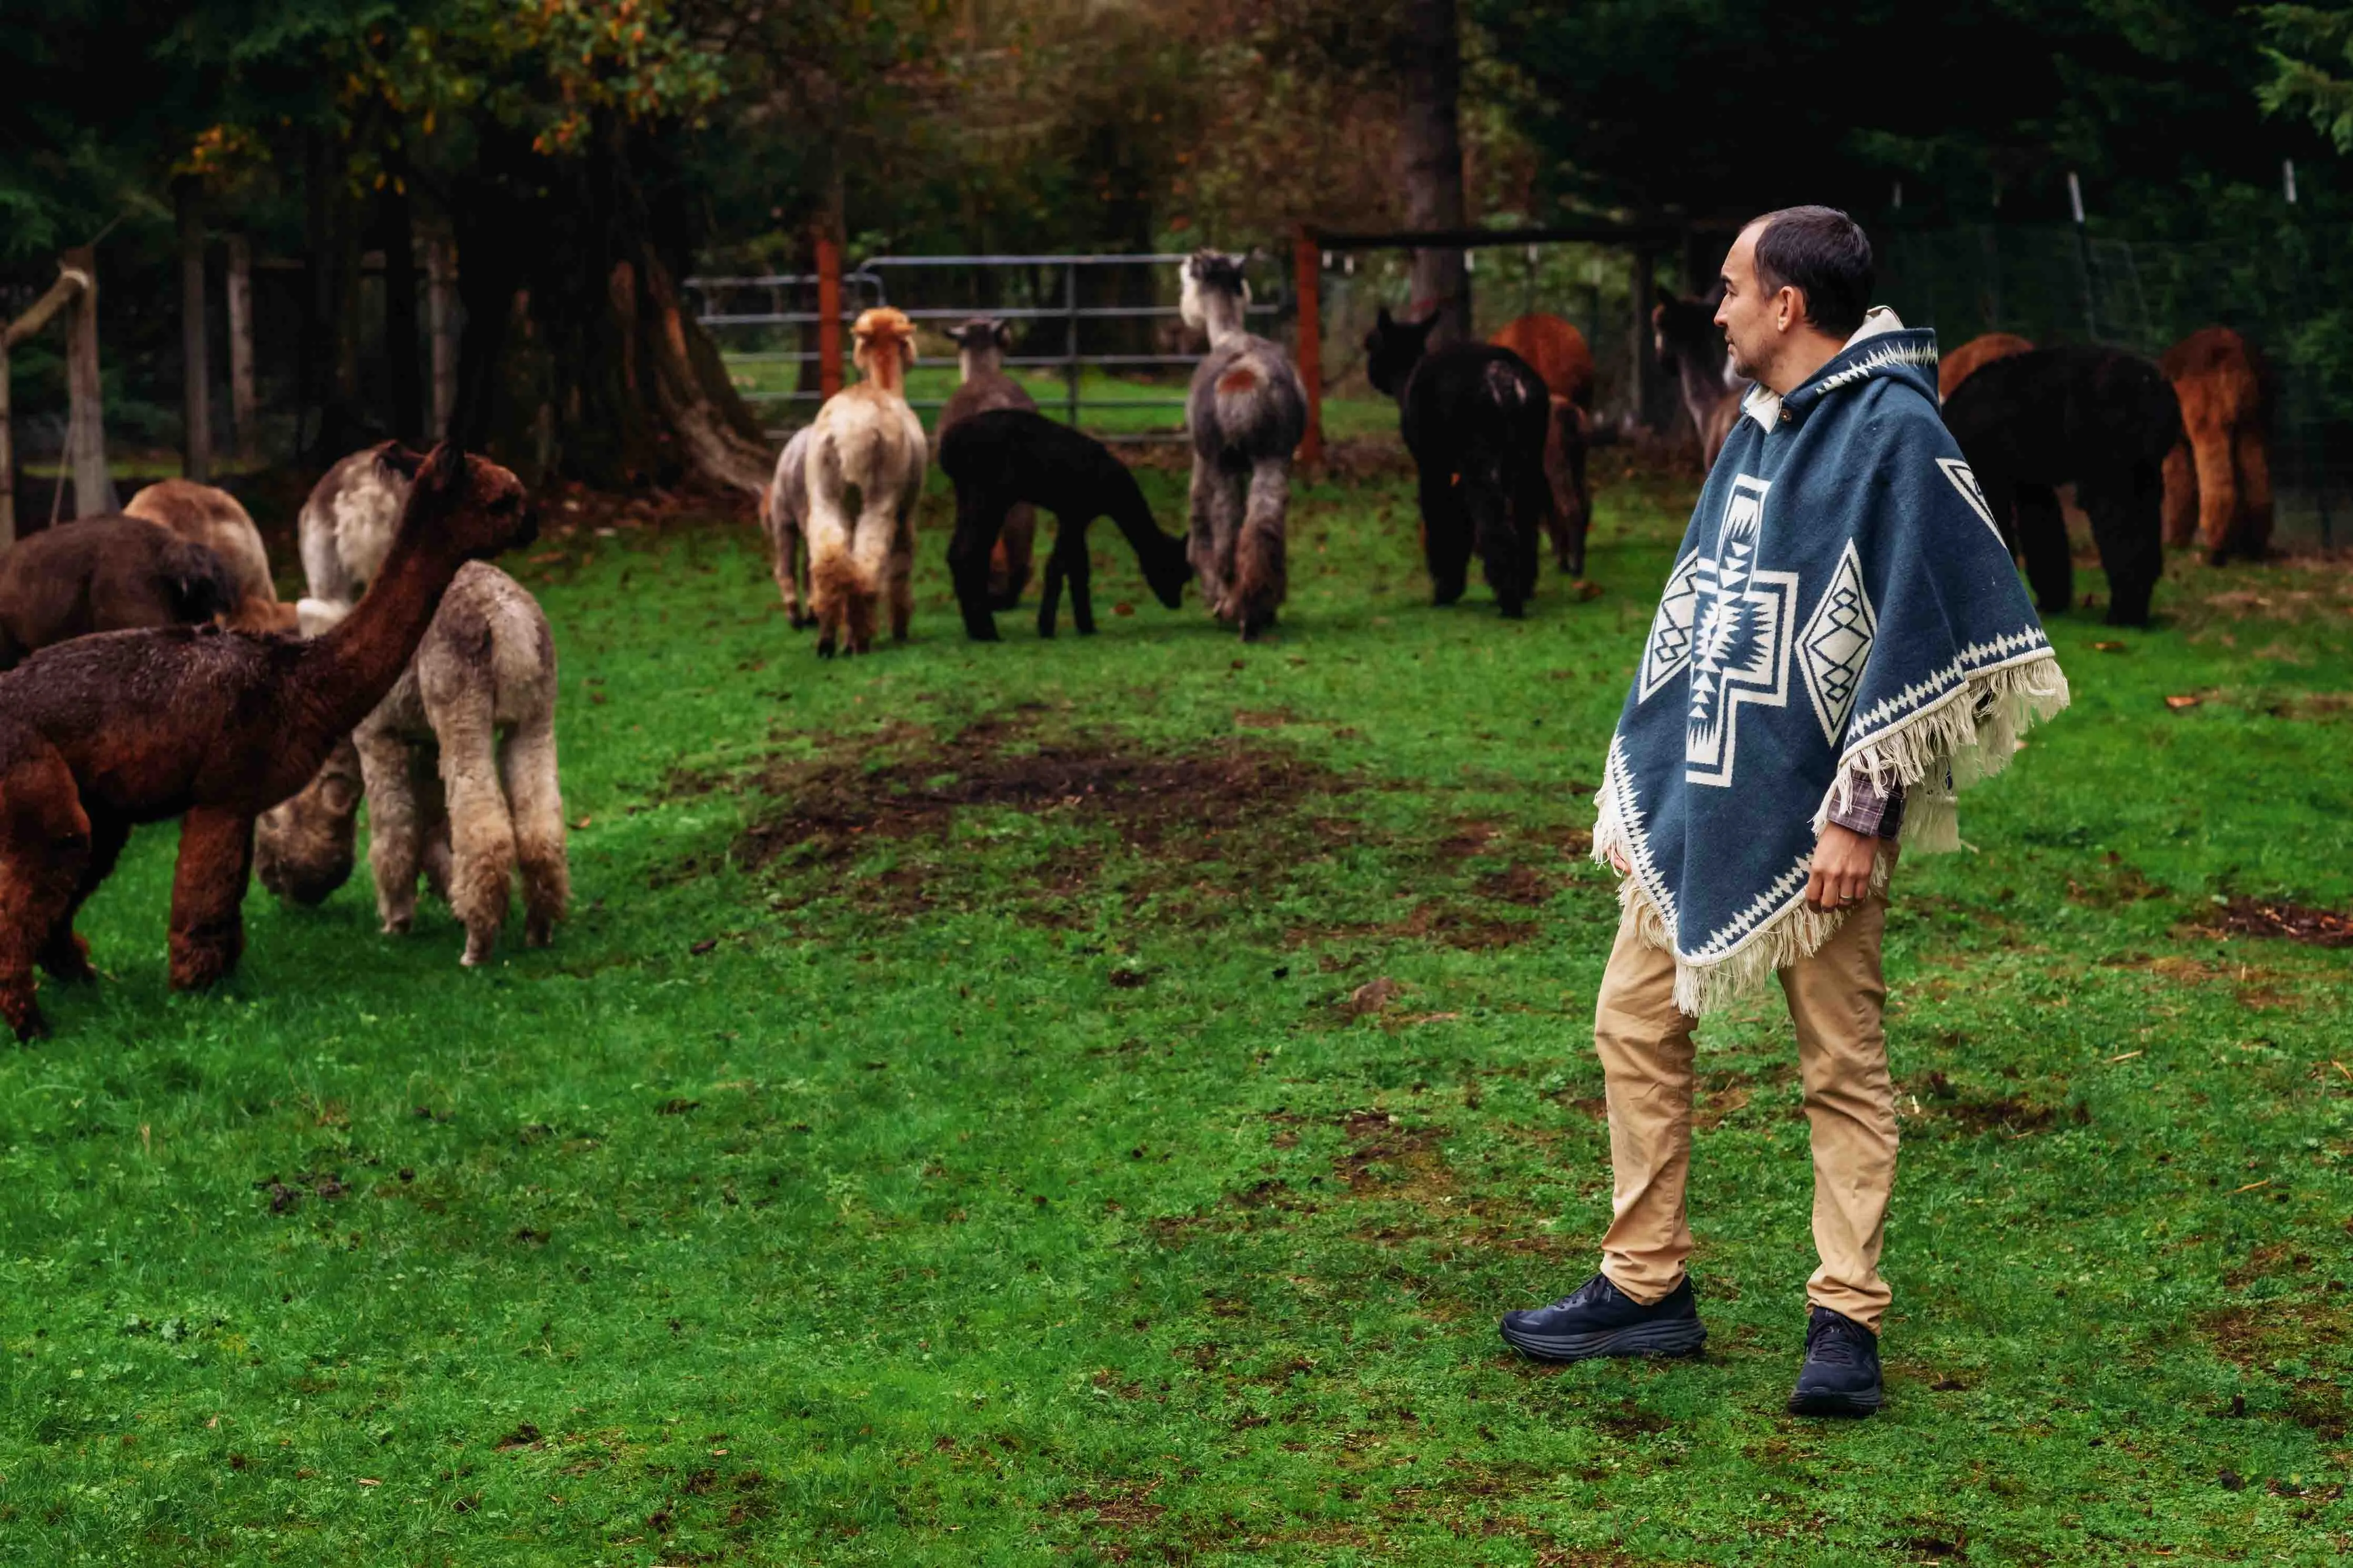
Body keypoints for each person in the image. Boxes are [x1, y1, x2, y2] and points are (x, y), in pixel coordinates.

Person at [1498, 207, 2070, 1417]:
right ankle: (1645, 1286)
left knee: (1841, 1064)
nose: (1715, 309)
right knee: (1631, 1022)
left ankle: (1844, 1319)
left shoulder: (1896, 432)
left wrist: (1861, 809)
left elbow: (1926, 618)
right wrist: (1654, 772)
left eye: (1727, 288)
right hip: (1705, 789)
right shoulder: (1754, 431)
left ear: (1786, 306)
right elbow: (1711, 610)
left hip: (1819, 819)